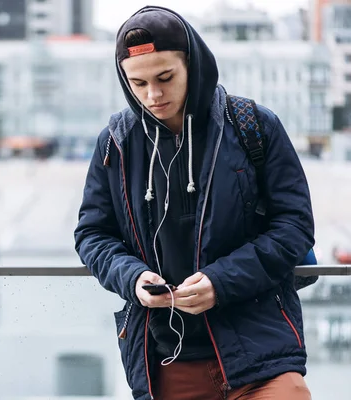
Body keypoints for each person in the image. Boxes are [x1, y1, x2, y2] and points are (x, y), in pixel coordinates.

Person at [74, 6, 315, 400]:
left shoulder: (253, 125)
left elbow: (294, 226)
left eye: (165, 77)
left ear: (193, 65)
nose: (153, 95)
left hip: (261, 353)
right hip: (167, 361)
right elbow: (92, 236)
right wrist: (132, 277)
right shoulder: (115, 143)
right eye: (138, 83)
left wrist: (220, 283)